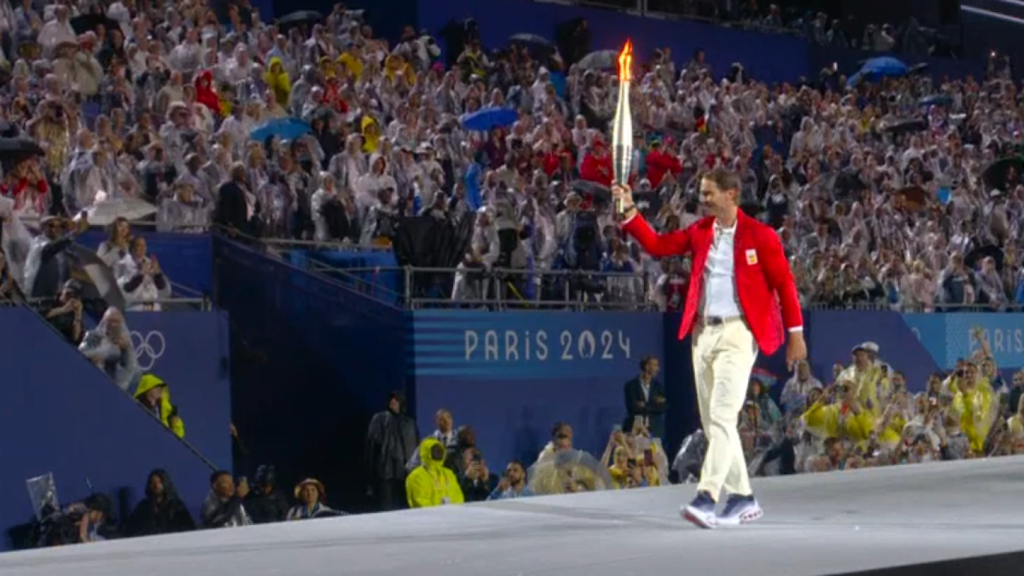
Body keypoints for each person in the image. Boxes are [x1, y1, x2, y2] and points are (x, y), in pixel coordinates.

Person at [612, 168, 806, 529]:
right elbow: (657, 245)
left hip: (738, 334)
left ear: (731, 194)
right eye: (701, 193)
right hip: (702, 335)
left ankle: (707, 496)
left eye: (708, 193)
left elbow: (784, 284)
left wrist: (796, 334)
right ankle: (744, 498)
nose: (702, 200)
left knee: (721, 417)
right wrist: (628, 212)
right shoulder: (700, 232)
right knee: (715, 423)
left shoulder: (760, 236)